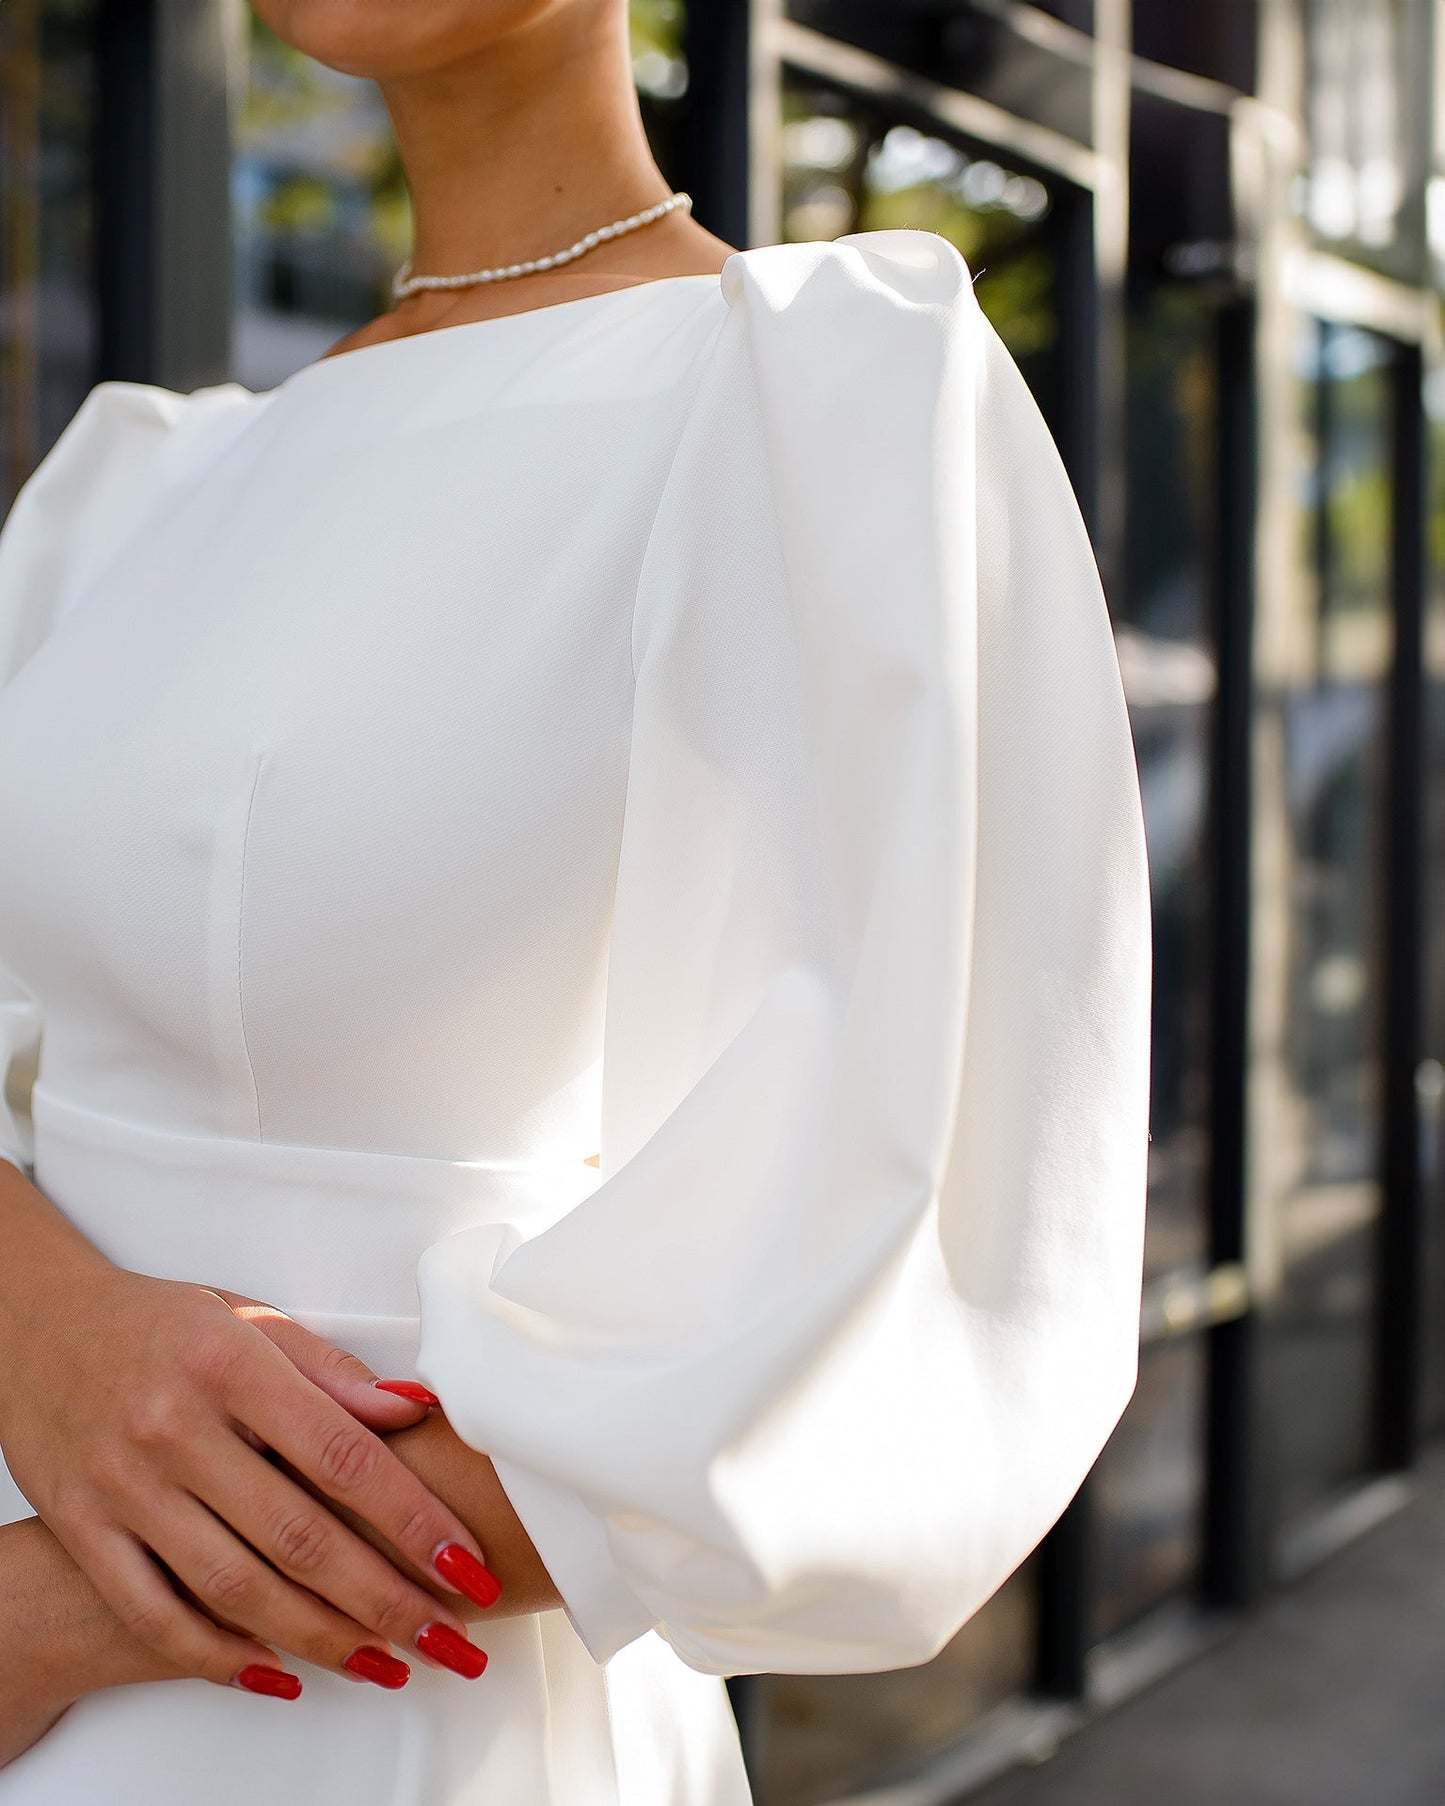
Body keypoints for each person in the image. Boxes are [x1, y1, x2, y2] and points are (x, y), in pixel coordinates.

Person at [0, 0, 1152, 1800]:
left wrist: (56, 1612)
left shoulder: (821, 403)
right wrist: (37, 1312)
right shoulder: (137, 490)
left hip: (385, 1730)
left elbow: (901, 1276)